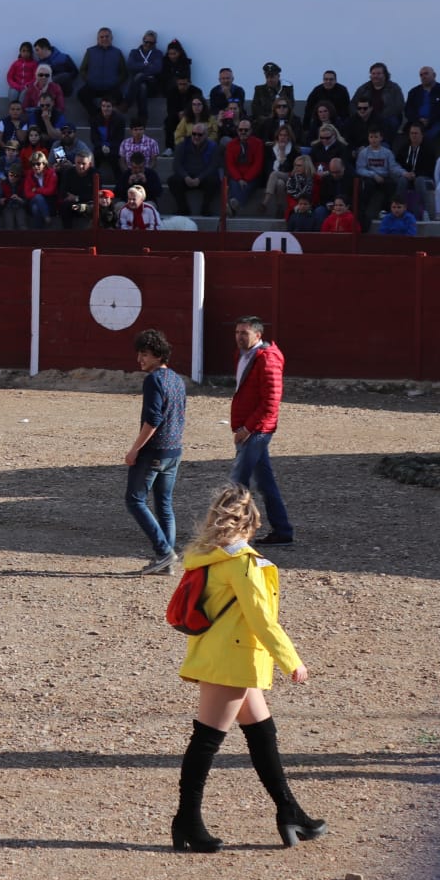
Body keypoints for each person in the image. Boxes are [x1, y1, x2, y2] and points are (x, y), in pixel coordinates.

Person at [170, 484, 325, 853]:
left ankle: (290, 812)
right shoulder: (242, 563)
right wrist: (291, 660)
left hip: (220, 654)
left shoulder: (206, 556)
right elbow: (262, 619)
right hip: (231, 661)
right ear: (252, 522)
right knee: (206, 742)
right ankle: (187, 822)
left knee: (262, 735)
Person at [125, 329, 186, 575]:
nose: (140, 359)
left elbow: (153, 420)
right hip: (174, 450)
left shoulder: (153, 381)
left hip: (154, 451)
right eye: (139, 353)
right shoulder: (177, 379)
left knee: (134, 500)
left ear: (158, 355)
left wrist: (135, 449)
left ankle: (163, 552)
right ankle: (166, 561)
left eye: (146, 354)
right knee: (164, 504)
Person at [231, 317, 294, 547]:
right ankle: (282, 530)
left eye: (244, 333)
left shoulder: (267, 359)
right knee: (265, 482)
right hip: (250, 427)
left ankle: (233, 532)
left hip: (257, 429)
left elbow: (271, 402)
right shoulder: (244, 356)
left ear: (258, 335)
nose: (239, 336)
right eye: (237, 332)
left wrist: (247, 428)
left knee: (238, 481)